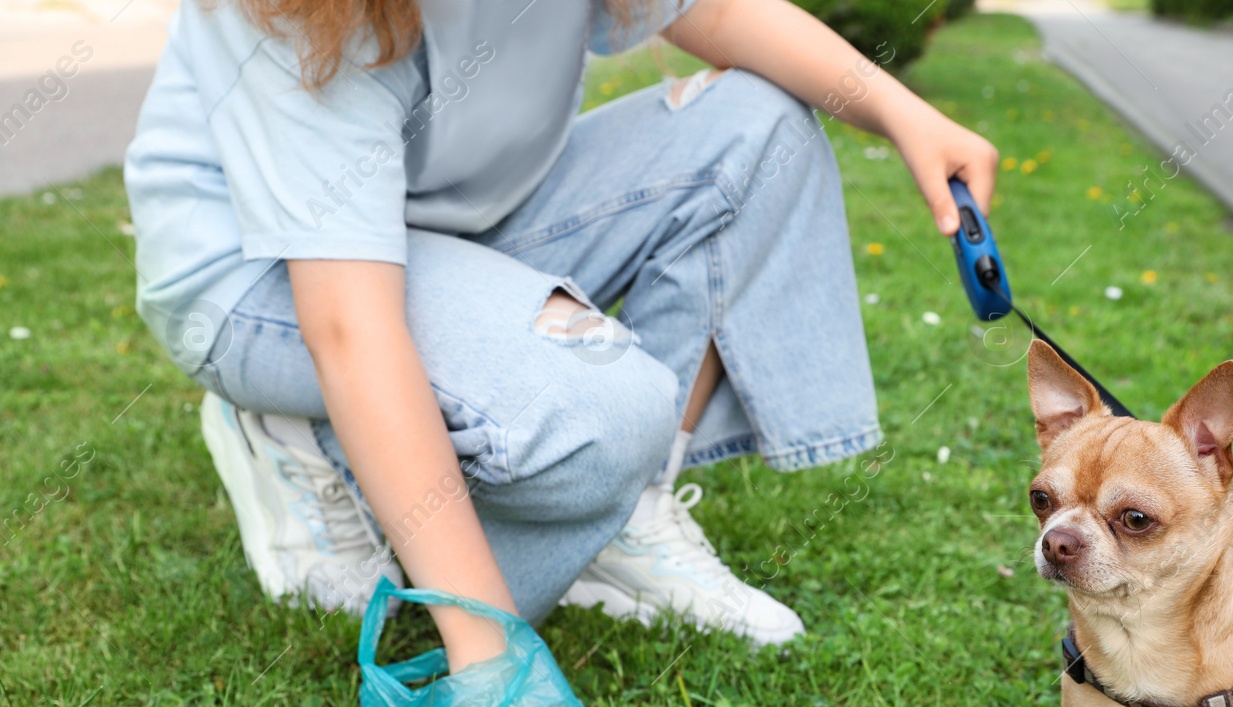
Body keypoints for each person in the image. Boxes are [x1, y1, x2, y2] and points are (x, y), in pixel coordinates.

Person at [127, 0, 997, 672]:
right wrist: (485, 651)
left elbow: (716, 12)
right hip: (258, 276)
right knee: (605, 407)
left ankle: (627, 512)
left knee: (762, 127)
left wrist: (900, 111)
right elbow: (352, 329)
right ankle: (289, 425)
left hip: (453, 221)